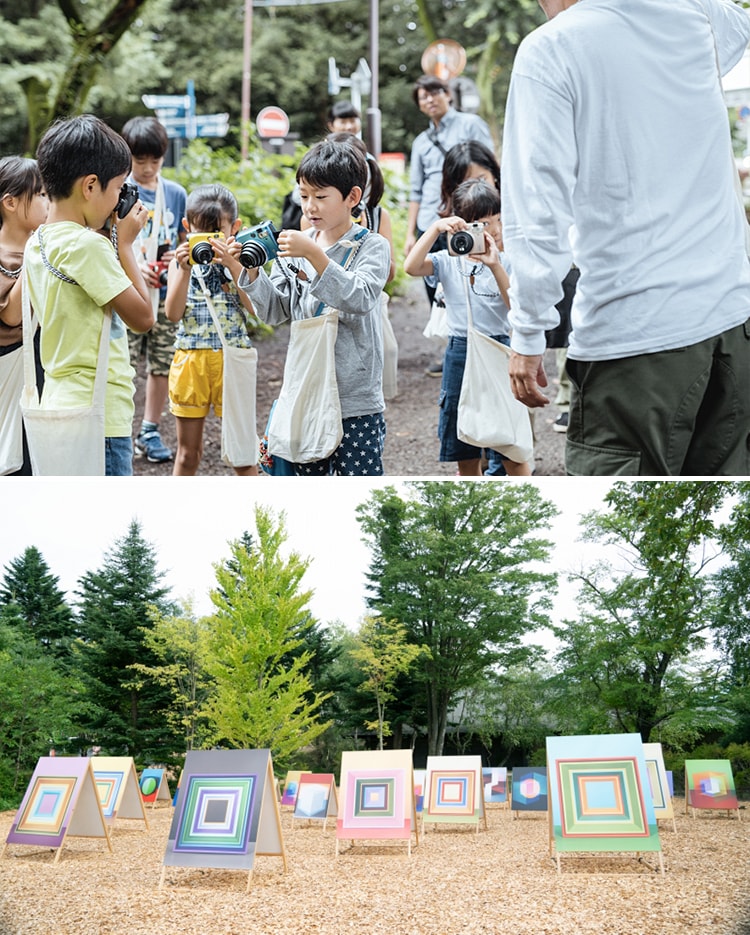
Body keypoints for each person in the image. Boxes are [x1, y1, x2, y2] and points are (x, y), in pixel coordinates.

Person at [501, 0, 750, 476]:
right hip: (733, 322)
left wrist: (529, 332)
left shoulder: (551, 48)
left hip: (635, 336)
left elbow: (537, 206)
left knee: (610, 508)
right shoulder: (693, 14)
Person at [237, 139, 390, 476]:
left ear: (352, 197)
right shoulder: (295, 245)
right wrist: (250, 269)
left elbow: (361, 297)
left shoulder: (372, 246)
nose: (310, 207)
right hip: (307, 390)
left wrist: (314, 256)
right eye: (304, 196)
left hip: (355, 399)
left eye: (321, 197)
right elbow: (275, 311)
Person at [25, 114, 154, 476]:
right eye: (117, 189)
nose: (118, 202)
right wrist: (125, 244)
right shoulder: (86, 247)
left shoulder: (38, 241)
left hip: (57, 404)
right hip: (99, 416)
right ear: (90, 185)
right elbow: (143, 319)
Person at [404, 177, 531, 477]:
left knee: (510, 445)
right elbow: (411, 267)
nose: (495, 229)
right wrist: (436, 228)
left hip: (499, 348)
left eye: (498, 219)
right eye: (484, 223)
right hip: (459, 351)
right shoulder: (449, 262)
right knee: (465, 448)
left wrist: (495, 265)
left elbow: (516, 310)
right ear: (464, 225)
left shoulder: (507, 261)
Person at [165, 183, 258, 476]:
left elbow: (256, 308)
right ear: (186, 227)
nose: (209, 241)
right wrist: (183, 270)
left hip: (231, 360)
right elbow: (172, 314)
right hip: (191, 360)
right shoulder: (181, 264)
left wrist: (233, 263)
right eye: (200, 232)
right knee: (188, 455)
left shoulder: (245, 260)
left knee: (244, 454)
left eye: (216, 233)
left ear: (235, 228)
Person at [405, 75, 493, 375]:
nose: (430, 100)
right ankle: (451, 346)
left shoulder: (470, 124)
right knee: (439, 287)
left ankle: (483, 339)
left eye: (435, 93)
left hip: (470, 218)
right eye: (423, 97)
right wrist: (411, 233)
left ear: (448, 95)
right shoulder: (420, 142)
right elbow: (415, 190)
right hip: (432, 219)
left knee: (475, 276)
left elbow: (488, 166)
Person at [121, 116, 187, 464]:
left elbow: (181, 243)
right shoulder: (118, 193)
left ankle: (148, 429)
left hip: (165, 296)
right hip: (129, 293)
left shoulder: (174, 194)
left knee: (162, 365)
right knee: (124, 365)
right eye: (139, 160)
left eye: (154, 160)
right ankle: (119, 430)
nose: (147, 168)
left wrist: (176, 261)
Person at [0, 156, 48, 475]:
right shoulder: (31, 250)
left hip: (39, 374)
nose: (49, 202)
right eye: (42, 193)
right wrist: (37, 247)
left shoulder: (43, 249)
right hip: (13, 375)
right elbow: (13, 316)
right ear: (11, 202)